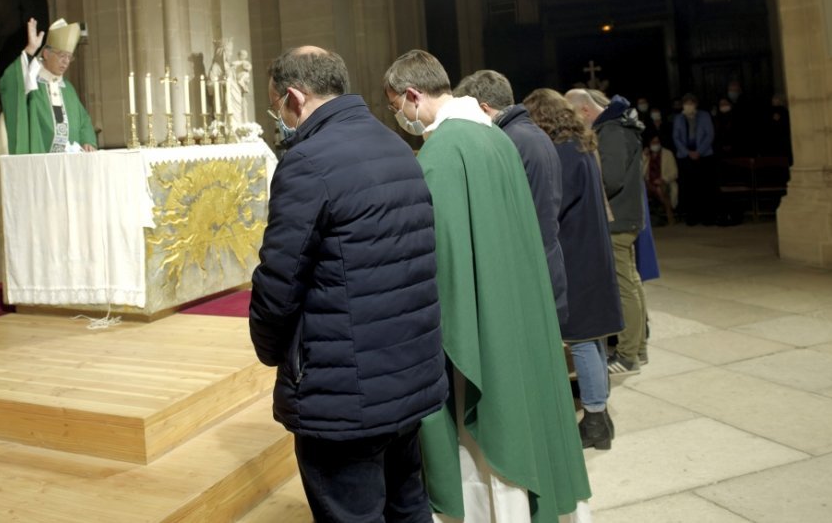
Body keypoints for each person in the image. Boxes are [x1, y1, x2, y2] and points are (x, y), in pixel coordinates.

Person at [386, 50, 591, 522]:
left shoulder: (442, 152)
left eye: (397, 106)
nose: (400, 118)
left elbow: (441, 261)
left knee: (482, 442)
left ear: (414, 96)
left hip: (479, 327)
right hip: (512, 310)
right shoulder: (492, 137)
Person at [249, 46, 447, 522]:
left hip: (344, 389)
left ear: (294, 97)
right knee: (408, 504)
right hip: (407, 372)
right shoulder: (396, 145)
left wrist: (272, 350)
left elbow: (279, 281)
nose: (278, 117)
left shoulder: (307, 162)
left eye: (275, 105)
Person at [523, 89, 624, 451]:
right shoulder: (580, 145)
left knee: (581, 339)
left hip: (576, 254)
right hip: (592, 251)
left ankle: (595, 419)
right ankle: (601, 412)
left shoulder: (561, 153)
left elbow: (553, 205)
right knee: (592, 338)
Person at [455, 69, 567, 325]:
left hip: (527, 269)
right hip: (546, 259)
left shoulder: (506, 141)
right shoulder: (533, 133)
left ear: (484, 109)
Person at [567, 88, 648, 376]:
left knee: (624, 285)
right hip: (627, 216)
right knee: (632, 282)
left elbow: (611, 178)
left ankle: (627, 356)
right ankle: (637, 348)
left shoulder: (611, 130)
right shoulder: (618, 124)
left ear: (585, 111)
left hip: (618, 219)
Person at [0, 17, 97, 157]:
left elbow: (83, 120)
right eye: (61, 55)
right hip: (38, 159)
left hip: (69, 161)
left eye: (69, 57)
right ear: (46, 54)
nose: (65, 62)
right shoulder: (32, 82)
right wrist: (30, 50)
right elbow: (10, 85)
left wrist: (87, 140)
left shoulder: (68, 88)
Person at [672, 93, 716, 226]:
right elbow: (676, 137)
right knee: (689, 188)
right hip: (686, 156)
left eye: (691, 103)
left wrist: (699, 151)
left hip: (703, 155)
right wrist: (687, 152)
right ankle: (692, 217)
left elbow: (710, 135)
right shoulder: (679, 118)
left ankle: (707, 217)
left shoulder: (704, 116)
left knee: (704, 187)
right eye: (686, 103)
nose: (689, 106)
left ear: (696, 104)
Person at [643, 134, 679, 226]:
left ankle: (669, 215)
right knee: (643, 190)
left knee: (660, 189)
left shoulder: (667, 154)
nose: (656, 144)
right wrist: (644, 157)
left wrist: (663, 179)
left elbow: (674, 172)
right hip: (648, 183)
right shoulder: (646, 155)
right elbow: (640, 173)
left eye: (657, 142)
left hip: (663, 182)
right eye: (653, 142)